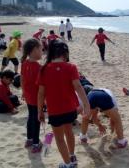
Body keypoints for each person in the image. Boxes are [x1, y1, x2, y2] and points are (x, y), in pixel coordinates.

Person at [37, 40, 90, 168]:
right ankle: (72, 155)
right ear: (65, 53)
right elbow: (78, 86)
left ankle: (67, 164)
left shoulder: (44, 69)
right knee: (69, 132)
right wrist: (86, 104)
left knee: (60, 139)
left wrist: (40, 111)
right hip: (70, 109)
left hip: (55, 111)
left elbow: (40, 93)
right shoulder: (71, 67)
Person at [21, 38, 43, 153]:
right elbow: (41, 87)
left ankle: (29, 139)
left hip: (28, 95)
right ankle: (35, 143)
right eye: (40, 49)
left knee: (31, 116)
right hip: (36, 97)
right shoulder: (38, 67)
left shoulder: (24, 63)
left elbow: (22, 79)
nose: (42, 51)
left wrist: (23, 91)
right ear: (34, 50)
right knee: (37, 118)